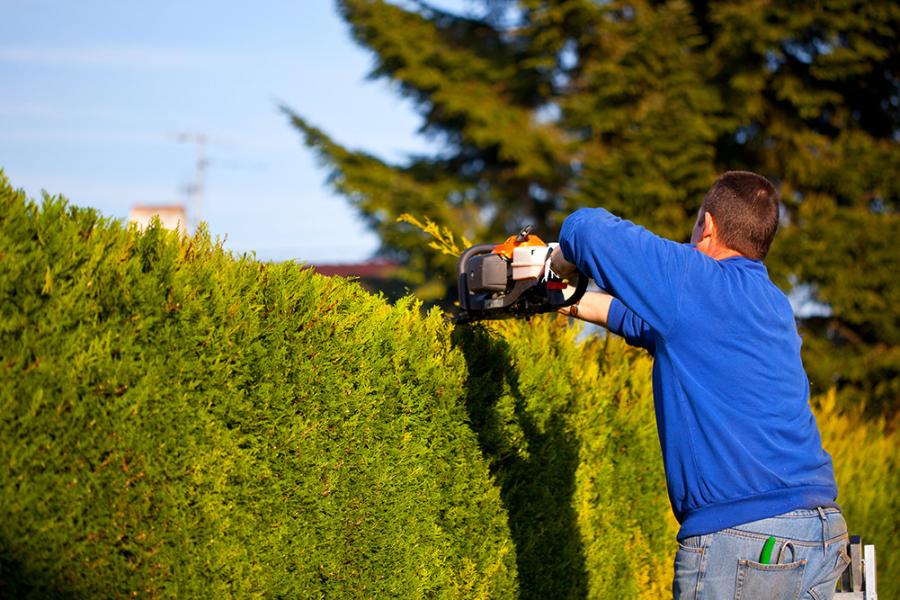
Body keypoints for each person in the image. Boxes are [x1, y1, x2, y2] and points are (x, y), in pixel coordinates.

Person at [550, 171, 848, 599]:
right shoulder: (771, 304)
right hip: (818, 532)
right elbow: (640, 322)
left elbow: (586, 228)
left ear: (707, 225)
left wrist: (556, 263)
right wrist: (561, 298)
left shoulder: (695, 278)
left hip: (746, 538)